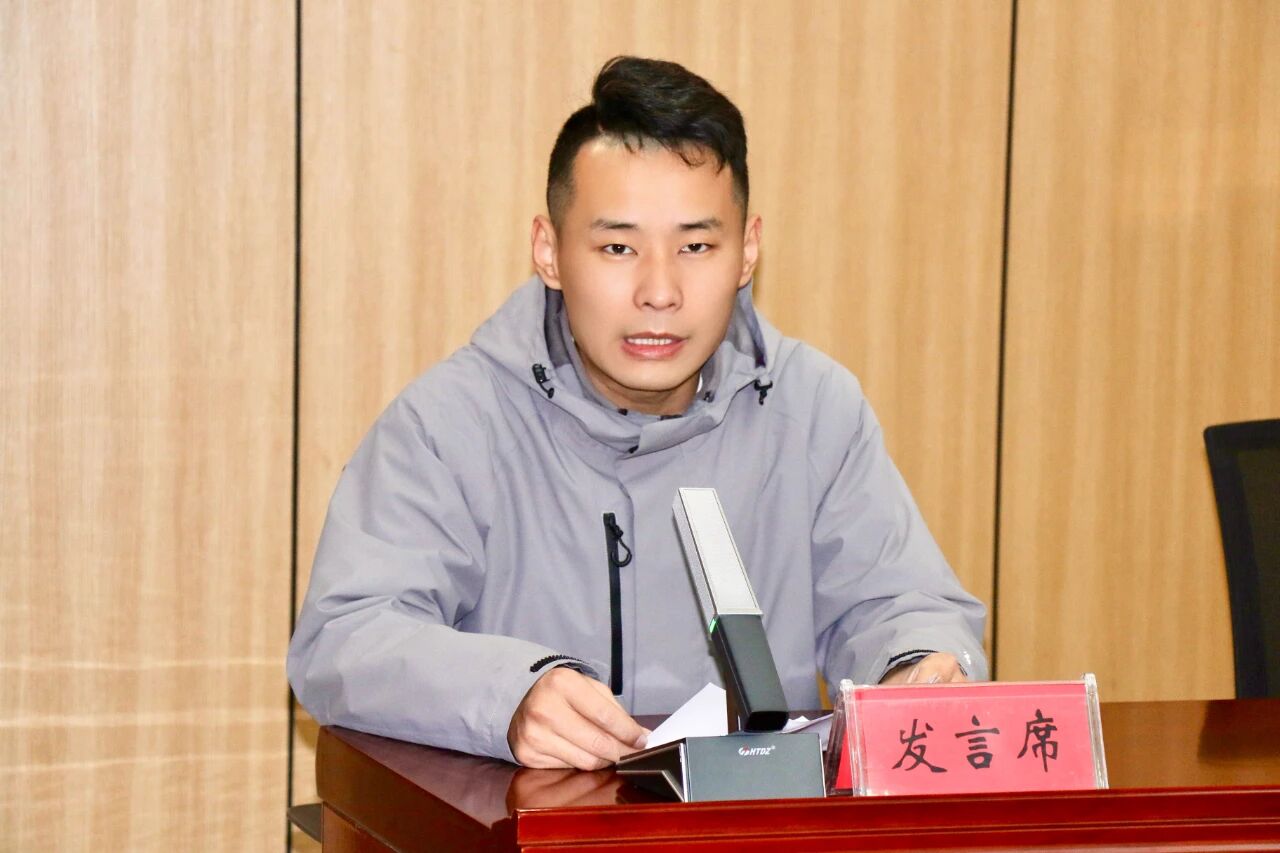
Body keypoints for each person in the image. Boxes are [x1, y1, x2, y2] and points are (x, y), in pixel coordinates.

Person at [287, 56, 987, 772]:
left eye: (696, 246)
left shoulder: (814, 410)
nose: (659, 291)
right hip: (532, 822)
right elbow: (346, 639)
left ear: (747, 251)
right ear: (549, 252)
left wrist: (918, 665)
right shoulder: (451, 423)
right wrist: (508, 696)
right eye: (618, 247)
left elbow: (899, 604)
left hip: (753, 818)